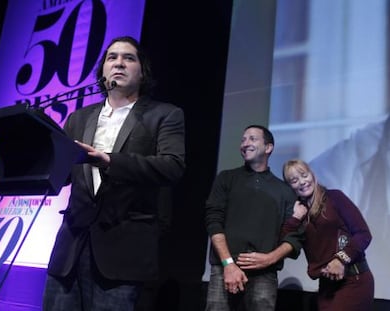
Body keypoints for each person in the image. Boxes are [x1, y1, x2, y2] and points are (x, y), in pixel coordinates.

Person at [42, 36, 186, 311]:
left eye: (128, 58)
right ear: (103, 72)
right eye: (112, 57)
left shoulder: (164, 115)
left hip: (123, 252)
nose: (119, 63)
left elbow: (172, 166)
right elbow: (65, 174)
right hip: (70, 248)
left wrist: (110, 161)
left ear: (142, 72)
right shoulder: (78, 117)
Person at [204, 124, 303, 311]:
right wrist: (229, 264)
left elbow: (294, 235)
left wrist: (270, 259)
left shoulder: (284, 191)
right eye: (243, 140)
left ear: (268, 147)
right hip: (224, 268)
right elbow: (213, 221)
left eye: (252, 138)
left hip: (264, 274)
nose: (245, 143)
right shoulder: (226, 178)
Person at [282, 159, 374, 310]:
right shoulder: (298, 213)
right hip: (326, 286)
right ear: (290, 186)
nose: (302, 182)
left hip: (353, 280)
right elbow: (284, 243)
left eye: (304, 175)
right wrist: (295, 218)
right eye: (294, 180)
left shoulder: (334, 198)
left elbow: (363, 234)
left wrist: (340, 260)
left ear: (312, 175)